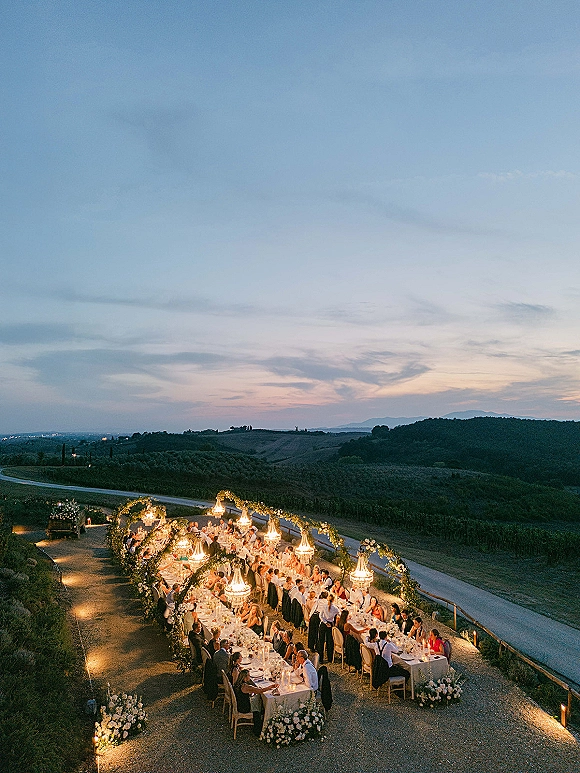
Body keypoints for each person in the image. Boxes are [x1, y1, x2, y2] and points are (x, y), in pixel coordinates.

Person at [233, 670, 279, 735]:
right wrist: (271, 686)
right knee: (258, 699)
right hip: (244, 708)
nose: (250, 677)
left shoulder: (237, 684)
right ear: (245, 678)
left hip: (240, 703)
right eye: (249, 675)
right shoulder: (245, 686)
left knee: (256, 698)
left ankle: (261, 712)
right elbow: (260, 691)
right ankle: (261, 716)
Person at [317, 593, 340, 663]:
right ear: (333, 600)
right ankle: (330, 658)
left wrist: (325, 622)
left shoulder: (324, 606)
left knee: (321, 641)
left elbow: (320, 616)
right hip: (330, 625)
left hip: (324, 624)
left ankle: (320, 659)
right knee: (330, 642)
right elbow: (340, 614)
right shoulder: (335, 608)